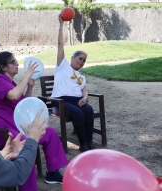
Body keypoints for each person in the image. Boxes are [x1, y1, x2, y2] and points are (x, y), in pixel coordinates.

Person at [0, 51, 68, 190]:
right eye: (13, 62)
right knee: (26, 147)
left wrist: (30, 85)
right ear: (3, 67)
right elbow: (13, 96)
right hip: (2, 131)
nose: (17, 64)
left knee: (49, 132)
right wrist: (27, 74)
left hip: (15, 127)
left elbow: (23, 103)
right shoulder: (0, 80)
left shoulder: (12, 83)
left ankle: (53, 173)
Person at [51, 13, 95, 152]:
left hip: (76, 100)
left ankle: (89, 141)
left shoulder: (81, 76)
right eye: (80, 58)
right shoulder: (62, 65)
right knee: (78, 113)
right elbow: (60, 44)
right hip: (60, 101)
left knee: (88, 109)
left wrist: (85, 97)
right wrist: (61, 26)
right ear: (72, 58)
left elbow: (84, 89)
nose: (81, 62)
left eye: (84, 60)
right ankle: (83, 144)